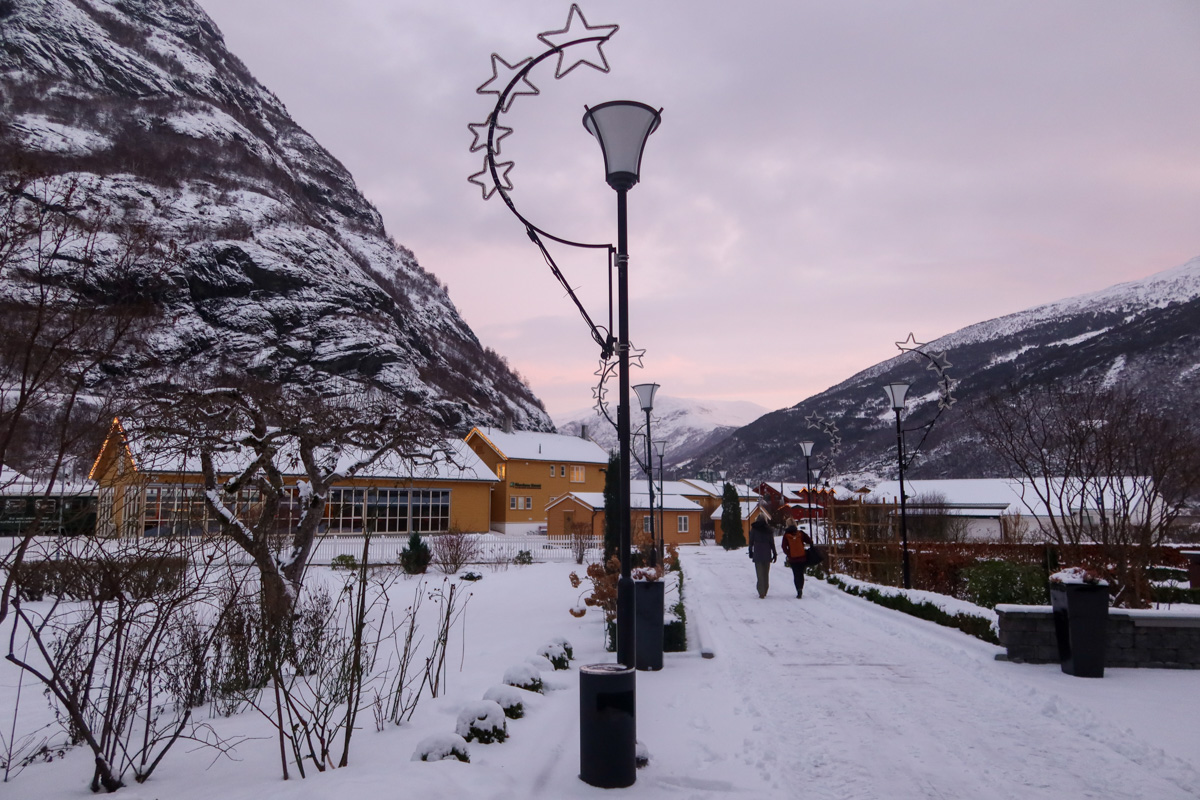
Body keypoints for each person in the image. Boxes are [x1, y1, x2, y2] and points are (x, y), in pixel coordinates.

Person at [781, 523, 814, 598]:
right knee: (801, 574)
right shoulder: (801, 533)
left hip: (793, 559)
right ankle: (801, 588)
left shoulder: (786, 535)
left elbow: (783, 547)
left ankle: (798, 589)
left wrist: (789, 554)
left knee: (796, 574)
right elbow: (809, 541)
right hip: (802, 557)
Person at [747, 516, 777, 598]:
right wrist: (774, 553)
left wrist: (750, 551)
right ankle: (765, 589)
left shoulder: (754, 529)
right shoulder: (769, 530)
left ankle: (761, 591)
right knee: (766, 573)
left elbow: (751, 542)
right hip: (767, 553)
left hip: (757, 553)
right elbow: (772, 543)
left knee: (759, 573)